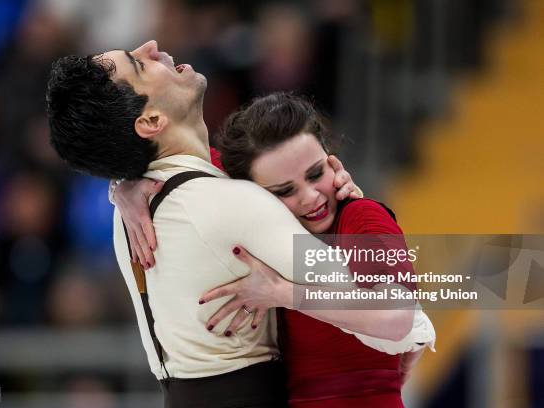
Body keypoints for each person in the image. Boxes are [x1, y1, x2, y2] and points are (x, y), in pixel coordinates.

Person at [46, 40, 433, 408]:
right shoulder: (235, 203)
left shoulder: (135, 205)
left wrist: (122, 181)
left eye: (315, 174)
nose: (150, 47)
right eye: (139, 63)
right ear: (149, 120)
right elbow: (397, 312)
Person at [115, 93, 435, 407]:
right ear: (252, 195)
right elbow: (169, 163)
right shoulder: (259, 212)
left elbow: (397, 317)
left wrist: (283, 293)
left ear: (332, 160)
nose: (311, 197)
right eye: (285, 191)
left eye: (316, 173)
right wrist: (126, 187)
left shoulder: (362, 216)